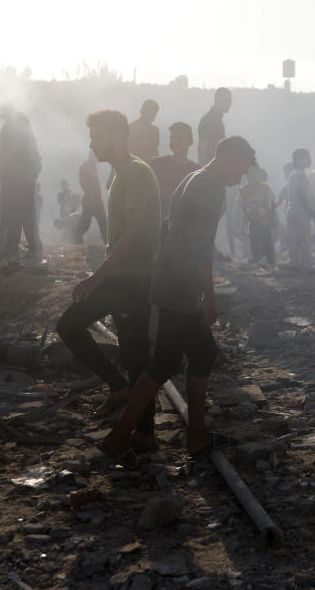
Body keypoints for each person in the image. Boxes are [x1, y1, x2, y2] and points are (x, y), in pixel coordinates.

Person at [100, 136, 258, 464]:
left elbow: (170, 230)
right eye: (241, 168)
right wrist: (209, 297)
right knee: (190, 356)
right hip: (181, 287)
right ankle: (189, 435)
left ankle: (125, 436)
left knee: (176, 358)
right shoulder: (211, 188)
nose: (240, 177)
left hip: (169, 280)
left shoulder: (194, 177)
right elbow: (200, 248)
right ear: (229, 157)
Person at [55, 110, 161, 441]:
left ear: (115, 136)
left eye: (96, 136)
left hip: (131, 280)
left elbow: (132, 234)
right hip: (125, 277)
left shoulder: (132, 173)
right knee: (133, 354)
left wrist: (96, 278)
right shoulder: (121, 174)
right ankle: (131, 410)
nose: (91, 143)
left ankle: (141, 429)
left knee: (128, 352)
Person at [0, 104, 43, 262]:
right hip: (27, 171)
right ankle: (26, 245)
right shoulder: (21, 121)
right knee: (23, 209)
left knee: (16, 209)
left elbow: (8, 152)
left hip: (18, 173)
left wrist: (1, 170)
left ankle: (17, 246)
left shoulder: (10, 126)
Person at [198, 88, 236, 256]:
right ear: (218, 99)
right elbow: (203, 144)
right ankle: (205, 244)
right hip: (211, 170)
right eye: (227, 100)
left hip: (217, 169)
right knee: (215, 206)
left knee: (217, 206)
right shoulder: (209, 119)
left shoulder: (218, 120)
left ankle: (207, 243)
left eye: (231, 101)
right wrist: (203, 168)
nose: (229, 104)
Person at [149, 122, 200, 232]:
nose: (174, 142)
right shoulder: (157, 164)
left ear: (190, 141)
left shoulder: (196, 171)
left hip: (182, 230)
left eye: (179, 138)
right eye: (172, 138)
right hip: (156, 227)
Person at [287, 148, 315, 270]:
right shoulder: (301, 174)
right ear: (298, 160)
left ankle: (295, 263)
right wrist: (310, 209)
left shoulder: (293, 173)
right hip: (300, 211)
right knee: (305, 239)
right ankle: (307, 265)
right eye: (306, 158)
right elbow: (300, 192)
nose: (308, 160)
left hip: (292, 210)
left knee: (294, 240)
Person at [240, 166, 275, 265]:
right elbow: (243, 205)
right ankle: (256, 257)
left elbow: (273, 202)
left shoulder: (265, 187)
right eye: (250, 174)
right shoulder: (243, 189)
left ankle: (270, 260)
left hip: (265, 218)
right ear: (246, 176)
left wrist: (271, 216)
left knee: (266, 238)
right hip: (253, 218)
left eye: (254, 173)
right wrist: (246, 217)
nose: (252, 176)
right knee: (254, 238)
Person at [74, 149, 107, 245]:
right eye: (96, 156)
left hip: (95, 200)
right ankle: (77, 240)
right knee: (89, 223)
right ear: (92, 156)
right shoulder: (85, 166)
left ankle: (108, 243)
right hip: (91, 200)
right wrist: (93, 199)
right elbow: (84, 183)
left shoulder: (93, 166)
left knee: (102, 223)